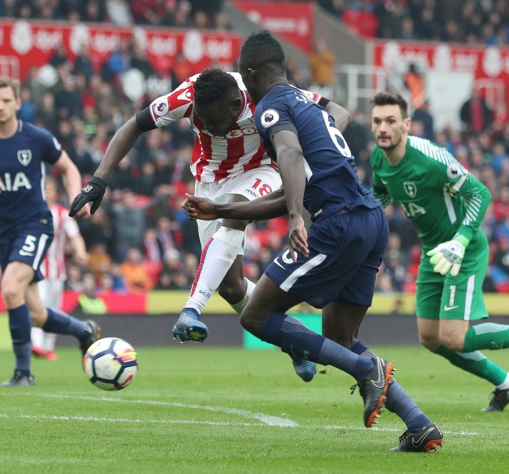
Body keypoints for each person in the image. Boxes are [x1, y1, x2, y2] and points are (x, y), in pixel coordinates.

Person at [188, 31, 442, 452]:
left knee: (254, 316)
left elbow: (287, 156)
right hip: (369, 219)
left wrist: (294, 218)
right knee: (339, 336)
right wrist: (222, 211)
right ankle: (418, 422)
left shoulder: (272, 106)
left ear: (250, 73)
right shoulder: (309, 104)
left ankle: (367, 371)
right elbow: (292, 185)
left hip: (336, 223)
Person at [69, 68, 349, 344]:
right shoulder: (187, 96)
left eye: (214, 120)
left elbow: (337, 111)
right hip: (209, 182)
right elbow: (134, 125)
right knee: (231, 289)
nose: (209, 127)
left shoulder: (264, 94)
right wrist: (98, 180)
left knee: (235, 215)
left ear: (236, 105)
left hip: (259, 171)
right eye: (202, 119)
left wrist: (318, 149)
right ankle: (297, 339)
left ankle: (191, 309)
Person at [368, 91, 509, 411]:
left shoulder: (432, 159)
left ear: (406, 124)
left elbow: (480, 193)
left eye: (391, 121)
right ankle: (506, 382)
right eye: (377, 121)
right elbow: (380, 195)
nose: (383, 128)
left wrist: (460, 240)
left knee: (454, 337)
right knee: (430, 338)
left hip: (463, 250)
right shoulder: (378, 159)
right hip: (433, 252)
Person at [0, 77, 100, 387]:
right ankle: (82, 331)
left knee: (10, 289)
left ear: (17, 103)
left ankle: (23, 372)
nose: (0, 106)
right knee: (35, 313)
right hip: (4, 232)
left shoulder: (37, 138)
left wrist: (79, 197)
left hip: (35, 223)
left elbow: (69, 168)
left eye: (6, 100)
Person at [31, 176, 90, 361]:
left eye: (48, 189)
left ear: (54, 193)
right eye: (43, 190)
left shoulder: (63, 214)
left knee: (54, 308)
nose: (46, 193)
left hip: (57, 271)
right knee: (38, 304)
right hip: (36, 269)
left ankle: (48, 348)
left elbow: (75, 236)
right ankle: (36, 345)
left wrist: (80, 251)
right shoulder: (31, 213)